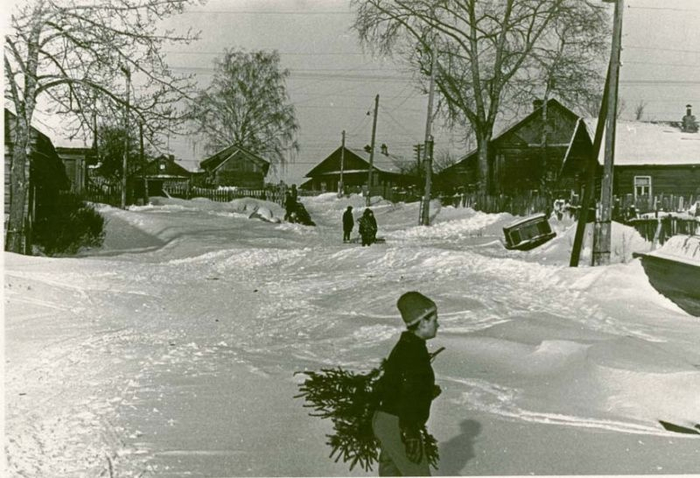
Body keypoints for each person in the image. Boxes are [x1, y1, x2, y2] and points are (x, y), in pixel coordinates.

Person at [373, 291, 442, 476]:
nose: (438, 323)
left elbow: (399, 384)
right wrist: (410, 432)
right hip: (399, 423)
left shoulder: (407, 346)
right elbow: (409, 389)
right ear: (422, 322)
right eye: (434, 318)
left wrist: (426, 391)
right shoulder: (414, 352)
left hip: (388, 419)